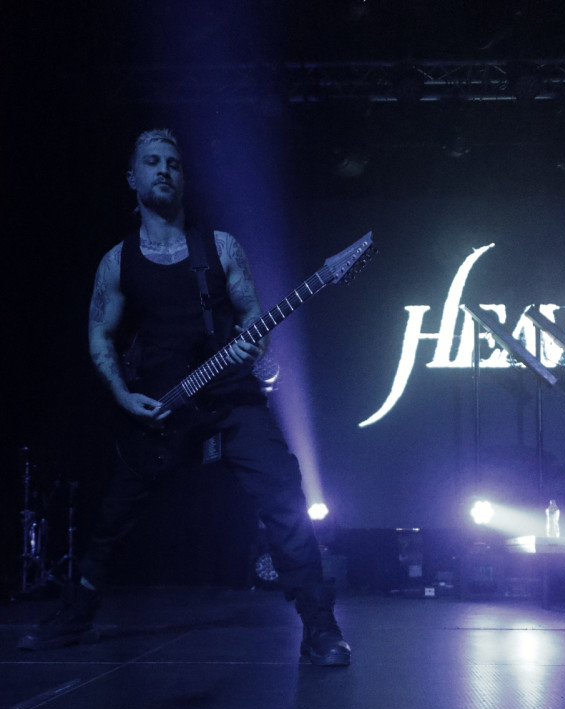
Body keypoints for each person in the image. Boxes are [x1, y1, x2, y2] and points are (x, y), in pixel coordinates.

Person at [19, 128, 350, 667]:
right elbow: (100, 335)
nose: (164, 170)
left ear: (184, 178)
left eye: (173, 162)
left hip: (232, 397)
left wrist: (254, 343)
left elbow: (251, 313)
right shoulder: (117, 261)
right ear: (132, 178)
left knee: (284, 494)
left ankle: (319, 624)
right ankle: (75, 613)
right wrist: (123, 396)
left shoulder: (220, 247)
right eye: (152, 162)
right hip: (158, 409)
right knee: (113, 518)